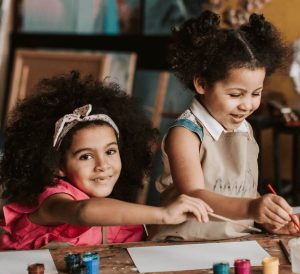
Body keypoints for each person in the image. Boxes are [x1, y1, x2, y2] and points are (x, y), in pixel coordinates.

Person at [0, 71, 212, 250]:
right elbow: (83, 212)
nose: (102, 165)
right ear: (58, 166)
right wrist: (163, 214)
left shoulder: (116, 210)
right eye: (86, 156)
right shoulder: (54, 201)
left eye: (110, 151)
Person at [150, 10, 298, 241]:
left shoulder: (244, 128)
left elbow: (241, 191)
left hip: (236, 244)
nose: (247, 105)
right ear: (202, 83)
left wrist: (268, 218)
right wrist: (252, 207)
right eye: (236, 94)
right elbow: (195, 195)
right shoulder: (186, 134)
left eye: (256, 93)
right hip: (184, 247)